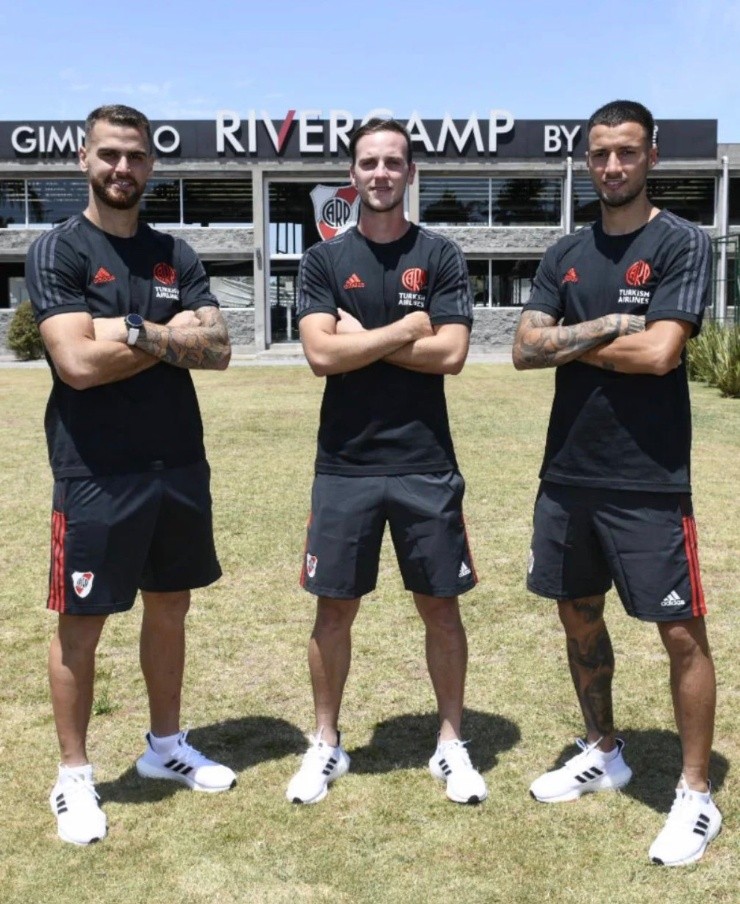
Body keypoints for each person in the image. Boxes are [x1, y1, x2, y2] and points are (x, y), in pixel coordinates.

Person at [512, 99, 721, 866]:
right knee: (576, 615)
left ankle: (696, 795)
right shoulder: (565, 250)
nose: (612, 166)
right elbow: (522, 350)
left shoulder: (680, 243)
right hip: (568, 474)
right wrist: (608, 327)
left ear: (652, 156)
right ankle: (605, 748)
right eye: (600, 153)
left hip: (649, 479)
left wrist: (571, 339)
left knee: (678, 632)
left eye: (627, 152)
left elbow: (662, 353)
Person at [26, 104, 236, 846]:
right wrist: (168, 332)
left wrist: (127, 327)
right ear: (85, 160)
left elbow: (219, 349)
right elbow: (76, 365)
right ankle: (75, 776)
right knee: (81, 623)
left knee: (169, 608)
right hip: (93, 471)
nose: (123, 169)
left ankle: (165, 747)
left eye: (136, 157)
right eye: (109, 155)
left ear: (152, 166)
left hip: (176, 463)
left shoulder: (174, 253)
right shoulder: (58, 252)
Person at [287, 118, 486, 807]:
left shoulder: (440, 254)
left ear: (409, 172)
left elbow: (452, 354)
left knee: (441, 609)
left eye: (392, 162)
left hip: (424, 462)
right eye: (368, 162)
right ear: (354, 172)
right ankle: (326, 743)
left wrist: (363, 335)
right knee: (333, 612)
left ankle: (452, 744)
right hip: (344, 464)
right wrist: (407, 328)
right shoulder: (323, 261)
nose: (380, 173)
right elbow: (319, 355)